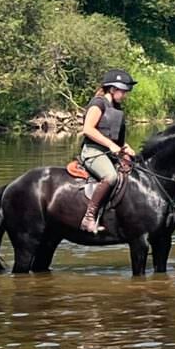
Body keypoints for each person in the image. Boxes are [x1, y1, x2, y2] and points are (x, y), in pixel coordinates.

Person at [78, 68, 137, 233]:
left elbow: (116, 137)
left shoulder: (117, 108)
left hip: (110, 152)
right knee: (110, 177)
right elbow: (88, 129)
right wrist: (110, 145)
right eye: (123, 91)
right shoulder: (98, 103)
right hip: (93, 151)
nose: (125, 95)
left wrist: (126, 147)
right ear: (112, 89)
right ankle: (88, 218)